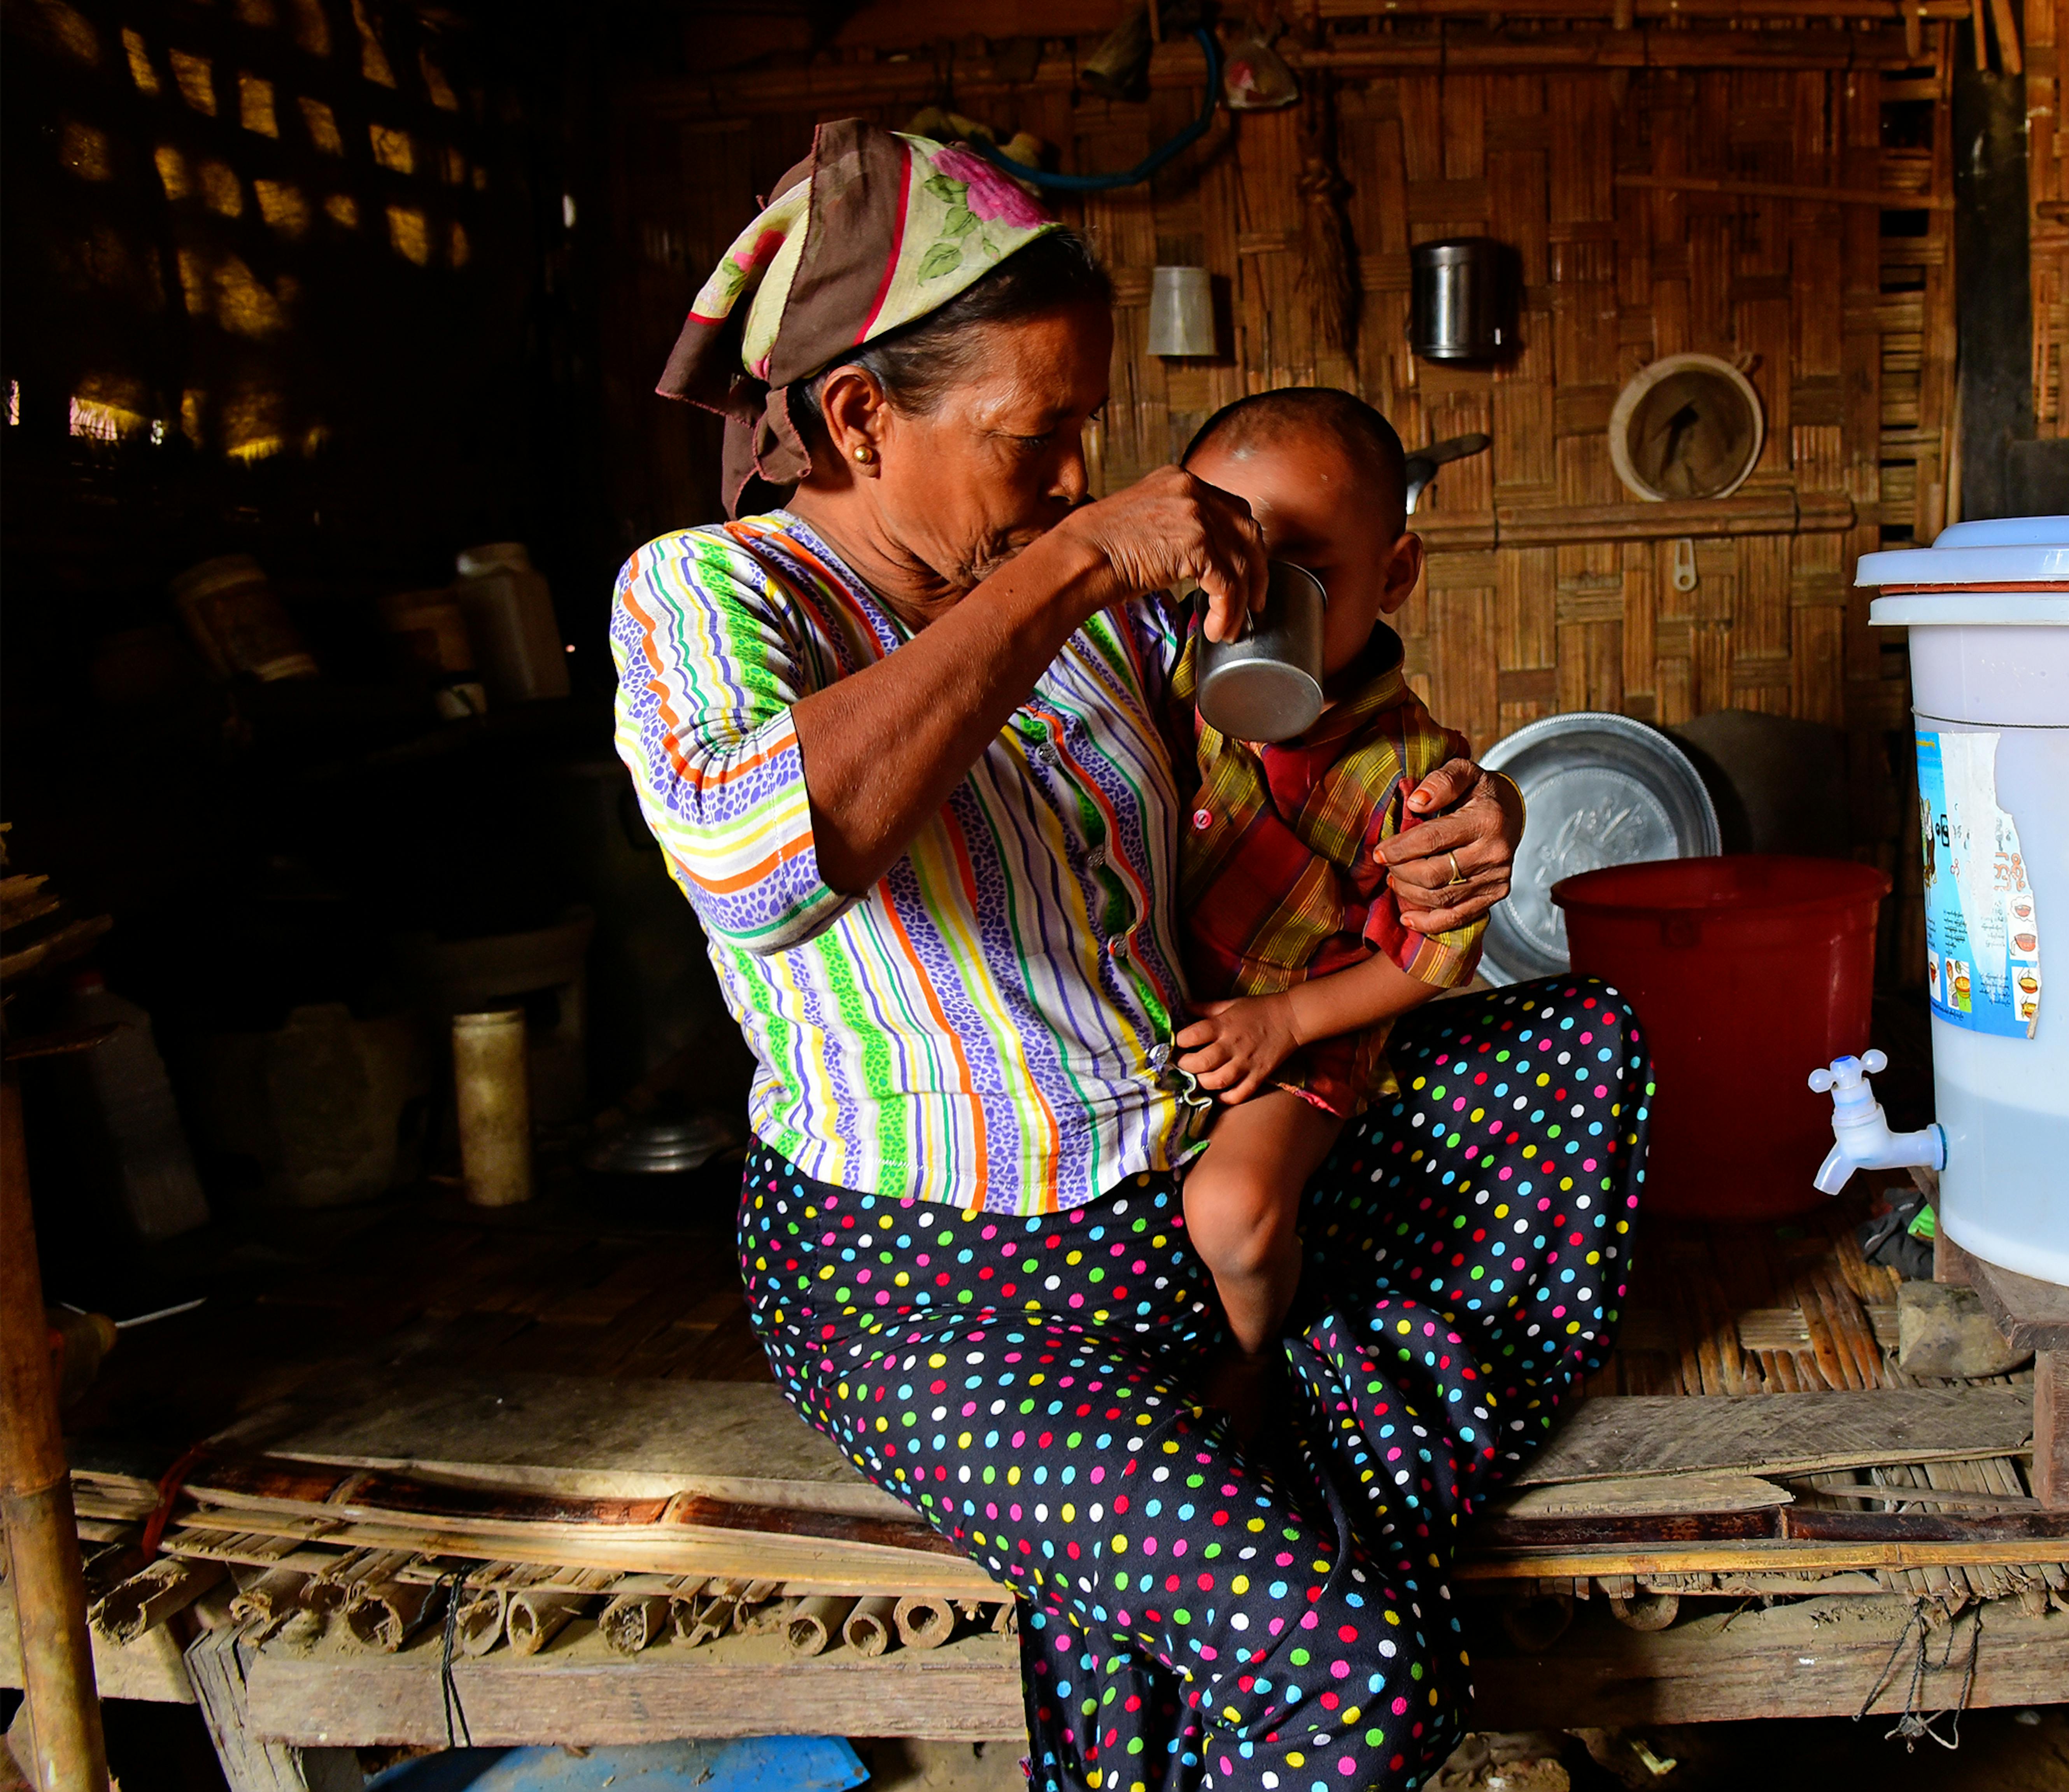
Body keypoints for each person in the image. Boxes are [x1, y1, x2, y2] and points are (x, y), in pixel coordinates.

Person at [611, 121, 1650, 1792]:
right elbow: (757, 866)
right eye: (1037, 436)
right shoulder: (709, 598)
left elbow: (1311, 723)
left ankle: (1289, 1447)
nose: (1072, 476)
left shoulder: (1084, 600)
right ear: (863, 418)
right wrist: (1076, 558)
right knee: (1359, 1682)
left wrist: (1459, 809)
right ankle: (1272, 1468)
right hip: (940, 1291)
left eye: (1085, 437)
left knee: (1573, 1038)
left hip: (1173, 1160)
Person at [1166, 390, 1482, 1431]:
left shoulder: (1408, 773)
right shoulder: (1153, 676)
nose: (1254, 609)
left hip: (1300, 1019)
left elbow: (1432, 963)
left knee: (1233, 1216)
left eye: (1305, 577)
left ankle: (1259, 1354)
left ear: (1394, 575)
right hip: (1161, 998)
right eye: (1232, 569)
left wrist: (1287, 1024)